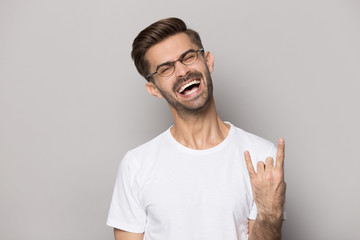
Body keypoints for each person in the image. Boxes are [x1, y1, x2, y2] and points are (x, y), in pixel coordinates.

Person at [107, 17, 286, 240]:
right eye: (165, 68)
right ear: (153, 89)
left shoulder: (261, 156)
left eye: (188, 57)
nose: (182, 71)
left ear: (208, 61)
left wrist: (270, 216)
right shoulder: (136, 165)